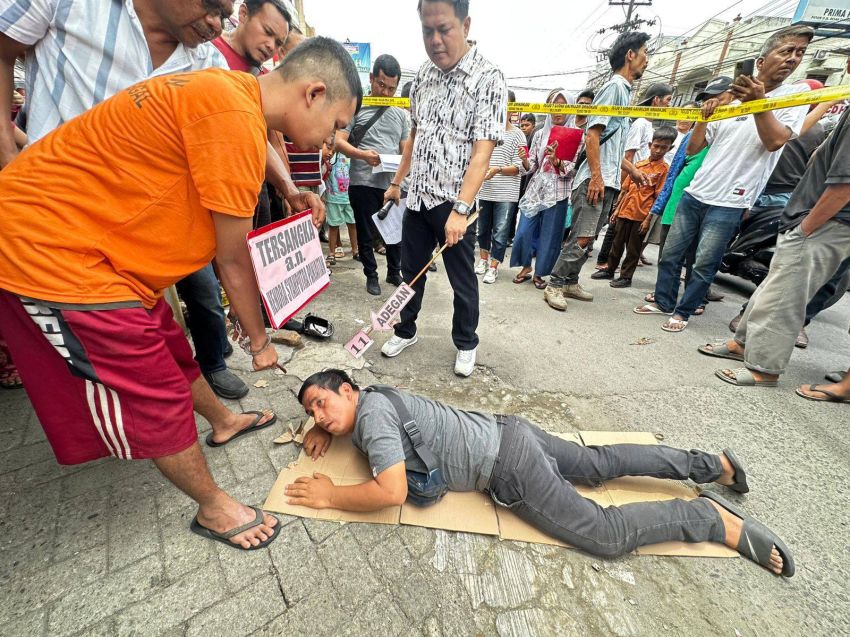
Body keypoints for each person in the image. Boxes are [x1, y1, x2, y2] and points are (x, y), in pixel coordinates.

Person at [0, 37, 362, 549]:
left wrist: (288, 190)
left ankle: (224, 419)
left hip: (113, 257)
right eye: (337, 124)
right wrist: (259, 343)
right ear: (313, 93)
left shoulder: (232, 96)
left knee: (171, 345)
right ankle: (214, 507)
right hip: (52, 253)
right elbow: (232, 260)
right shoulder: (231, 115)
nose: (332, 139)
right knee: (154, 391)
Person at [0, 0, 325, 401]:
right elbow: (233, 258)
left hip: (150, 224)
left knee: (172, 320)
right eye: (211, 8)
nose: (213, 23)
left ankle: (214, 392)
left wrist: (289, 189)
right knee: (147, 380)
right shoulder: (69, 5)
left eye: (221, 15)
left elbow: (256, 134)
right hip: (62, 226)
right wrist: (8, 157)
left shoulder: (209, 65)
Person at [288, 370, 793, 577]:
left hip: (508, 466)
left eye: (321, 403)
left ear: (349, 391)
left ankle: (708, 517)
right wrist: (328, 431)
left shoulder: (370, 418)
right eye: (311, 412)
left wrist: (332, 494)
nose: (317, 415)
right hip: (512, 432)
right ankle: (714, 466)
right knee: (601, 465)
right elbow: (365, 423)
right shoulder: (376, 397)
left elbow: (391, 490)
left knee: (606, 533)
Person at [634, 25, 814, 332]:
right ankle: (663, 300)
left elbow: (774, 141)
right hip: (697, 192)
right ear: (761, 60)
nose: (792, 59)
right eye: (786, 51)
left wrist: (758, 103)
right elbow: (693, 149)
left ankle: (684, 311)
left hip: (732, 199)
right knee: (672, 253)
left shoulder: (793, 97)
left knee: (704, 263)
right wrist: (704, 119)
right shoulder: (730, 100)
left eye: (799, 53)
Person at [382, 0, 507, 377]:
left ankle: (466, 342)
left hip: (455, 204)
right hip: (417, 197)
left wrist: (462, 209)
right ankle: (405, 329)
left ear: (465, 24)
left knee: (462, 279)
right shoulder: (423, 75)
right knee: (410, 272)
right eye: (427, 30)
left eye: (444, 29)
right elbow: (414, 138)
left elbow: (482, 152)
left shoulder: (488, 78)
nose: (435, 40)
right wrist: (396, 182)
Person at [698, 97, 850, 390]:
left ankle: (764, 369)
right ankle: (743, 344)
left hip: (827, 221)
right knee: (773, 288)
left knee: (785, 296)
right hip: (814, 216)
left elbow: (844, 185)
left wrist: (808, 226)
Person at [544, 31, 650, 311]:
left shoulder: (624, 94)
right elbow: (592, 136)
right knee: (581, 235)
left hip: (608, 179)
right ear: (631, 55)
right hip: (595, 180)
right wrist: (597, 177)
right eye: (644, 52)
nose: (646, 60)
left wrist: (633, 171)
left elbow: (609, 146)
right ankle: (555, 283)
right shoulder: (614, 88)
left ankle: (570, 281)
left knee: (589, 237)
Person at [335, 54, 409, 295]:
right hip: (363, 181)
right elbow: (338, 141)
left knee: (395, 232)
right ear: (371, 78)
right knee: (366, 233)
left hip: (392, 184)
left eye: (391, 88)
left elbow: (405, 148)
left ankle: (393, 272)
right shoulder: (357, 104)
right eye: (381, 85)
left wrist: (403, 173)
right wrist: (362, 154)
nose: (386, 93)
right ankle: (371, 275)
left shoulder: (400, 112)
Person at [594, 82, 673, 270]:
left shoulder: (661, 164)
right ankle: (605, 263)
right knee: (615, 231)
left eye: (664, 147)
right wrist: (621, 189)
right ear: (656, 100)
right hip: (629, 186)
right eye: (668, 100)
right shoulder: (640, 124)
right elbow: (628, 155)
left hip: (642, 199)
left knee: (632, 240)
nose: (670, 105)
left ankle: (620, 270)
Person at [591, 127, 675, 288]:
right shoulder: (638, 165)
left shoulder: (664, 170)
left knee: (633, 249)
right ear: (650, 144)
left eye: (663, 148)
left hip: (641, 215)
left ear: (669, 149)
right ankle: (609, 269)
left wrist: (648, 219)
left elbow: (658, 197)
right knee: (616, 243)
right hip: (625, 211)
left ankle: (626, 277)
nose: (658, 150)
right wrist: (616, 210)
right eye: (656, 146)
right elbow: (625, 190)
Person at [510, 90, 577, 289]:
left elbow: (572, 169)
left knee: (550, 234)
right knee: (523, 230)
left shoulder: (576, 135)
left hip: (559, 191)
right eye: (554, 106)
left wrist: (557, 160)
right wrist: (523, 158)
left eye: (563, 106)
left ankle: (540, 272)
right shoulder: (540, 133)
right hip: (536, 189)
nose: (558, 111)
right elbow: (532, 166)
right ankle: (525, 265)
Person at [476, 90, 528, 284]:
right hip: (485, 190)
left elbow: (519, 168)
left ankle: (494, 266)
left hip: (506, 194)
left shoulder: (518, 135)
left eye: (506, 104)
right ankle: (482, 260)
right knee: (482, 229)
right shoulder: (486, 131)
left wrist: (496, 170)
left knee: (500, 231)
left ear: (512, 107)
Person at [323, 143, 358, 266]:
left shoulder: (351, 154)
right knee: (333, 225)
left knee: (353, 223)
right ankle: (331, 253)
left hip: (350, 197)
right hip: (333, 196)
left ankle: (355, 250)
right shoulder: (330, 154)